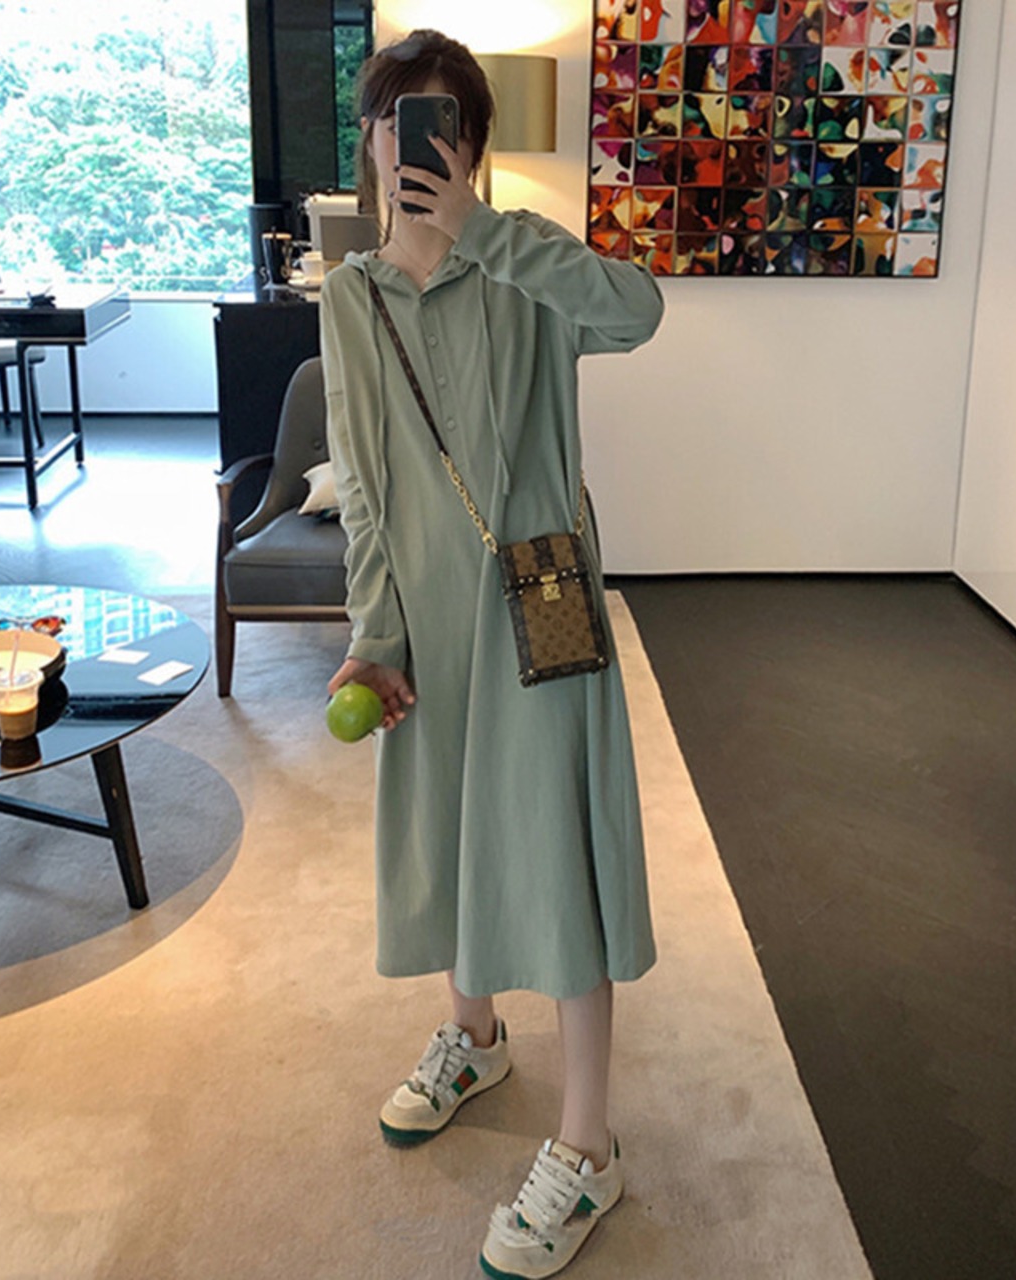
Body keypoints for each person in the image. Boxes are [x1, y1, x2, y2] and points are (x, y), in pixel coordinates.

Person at [320, 29, 663, 1280]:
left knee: (554, 845)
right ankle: (472, 1035)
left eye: (438, 128)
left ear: (468, 147)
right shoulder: (349, 298)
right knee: (450, 825)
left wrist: (486, 230)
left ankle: (587, 1143)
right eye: (392, 123)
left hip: (544, 592)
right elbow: (362, 485)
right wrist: (373, 634)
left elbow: (637, 311)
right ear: (368, 142)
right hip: (428, 610)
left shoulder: (523, 266)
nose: (410, 148)